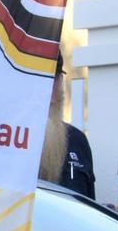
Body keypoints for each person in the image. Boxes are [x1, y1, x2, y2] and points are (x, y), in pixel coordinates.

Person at [40, 54, 94, 199]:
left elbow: (89, 207)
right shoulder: (11, 139)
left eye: (55, 77)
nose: (52, 89)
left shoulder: (78, 140)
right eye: (43, 77)